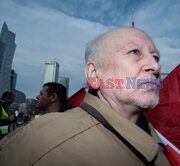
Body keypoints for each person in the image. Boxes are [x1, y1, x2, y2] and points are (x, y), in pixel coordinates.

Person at [0, 27, 170, 165]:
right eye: (134, 52)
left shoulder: (160, 150)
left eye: (155, 56)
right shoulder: (40, 144)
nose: (155, 65)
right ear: (94, 75)